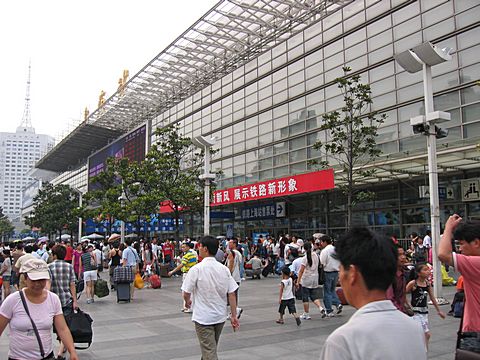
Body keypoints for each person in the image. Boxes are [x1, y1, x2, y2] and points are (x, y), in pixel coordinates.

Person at [320, 227, 426, 360]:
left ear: (352, 274)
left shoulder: (342, 341)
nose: (340, 278)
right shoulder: (415, 329)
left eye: (340, 269)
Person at [0, 258, 79, 360]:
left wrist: (72, 351)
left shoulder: (53, 299)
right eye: (34, 280)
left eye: (41, 280)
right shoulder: (12, 300)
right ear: (25, 278)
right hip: (18, 357)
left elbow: (63, 329)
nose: (38, 284)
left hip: (47, 356)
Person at [181, 235, 239, 360]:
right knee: (209, 349)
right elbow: (232, 294)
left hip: (203, 318)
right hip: (219, 317)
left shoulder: (196, 269)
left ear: (205, 249)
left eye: (200, 246)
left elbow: (186, 292)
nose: (198, 249)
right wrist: (233, 315)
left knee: (209, 352)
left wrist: (187, 301)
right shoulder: (224, 269)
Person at [438, 215, 480, 347]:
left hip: (476, 332)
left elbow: (443, 254)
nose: (460, 249)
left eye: (461, 244)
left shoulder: (475, 263)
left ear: (476, 243)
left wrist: (448, 227)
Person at [47, 244, 78, 360]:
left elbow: (48, 286)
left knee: (58, 327)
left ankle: (60, 351)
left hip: (54, 302)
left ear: (54, 255)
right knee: (65, 326)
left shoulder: (49, 267)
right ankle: (63, 346)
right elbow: (72, 285)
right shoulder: (69, 267)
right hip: (67, 300)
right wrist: (75, 301)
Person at [406, 263, 445, 348]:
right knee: (426, 334)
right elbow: (402, 294)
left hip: (424, 312)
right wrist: (408, 305)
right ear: (418, 273)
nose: (428, 271)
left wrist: (439, 311)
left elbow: (432, 298)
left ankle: (423, 352)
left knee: (423, 335)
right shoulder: (413, 283)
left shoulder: (427, 283)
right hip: (415, 313)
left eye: (428, 269)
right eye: (425, 270)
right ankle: (423, 352)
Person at [295, 241, 327, 320]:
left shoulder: (305, 258)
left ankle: (306, 314)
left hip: (306, 279)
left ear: (304, 249)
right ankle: (321, 308)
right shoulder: (316, 255)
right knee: (313, 296)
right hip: (315, 278)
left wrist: (298, 282)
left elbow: (301, 271)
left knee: (305, 296)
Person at [168, 242, 198, 312]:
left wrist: (172, 271)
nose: (182, 249)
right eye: (182, 247)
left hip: (187, 274)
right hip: (192, 273)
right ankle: (189, 307)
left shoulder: (187, 256)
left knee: (185, 290)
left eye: (184, 247)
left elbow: (181, 265)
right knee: (192, 291)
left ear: (188, 247)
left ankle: (187, 307)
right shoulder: (193, 254)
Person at [319, 235, 343, 316]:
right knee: (332, 290)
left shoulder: (324, 251)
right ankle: (338, 303)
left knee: (327, 292)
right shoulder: (336, 249)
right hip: (336, 272)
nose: (321, 244)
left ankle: (329, 310)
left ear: (325, 242)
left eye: (321, 242)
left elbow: (322, 262)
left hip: (327, 272)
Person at [226, 239, 243, 318]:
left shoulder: (233, 253)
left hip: (232, 278)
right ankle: (234, 311)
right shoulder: (238, 253)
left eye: (230, 243)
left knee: (231, 295)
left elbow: (231, 266)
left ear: (235, 244)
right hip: (237, 277)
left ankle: (235, 311)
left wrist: (228, 275)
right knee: (234, 295)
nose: (228, 244)